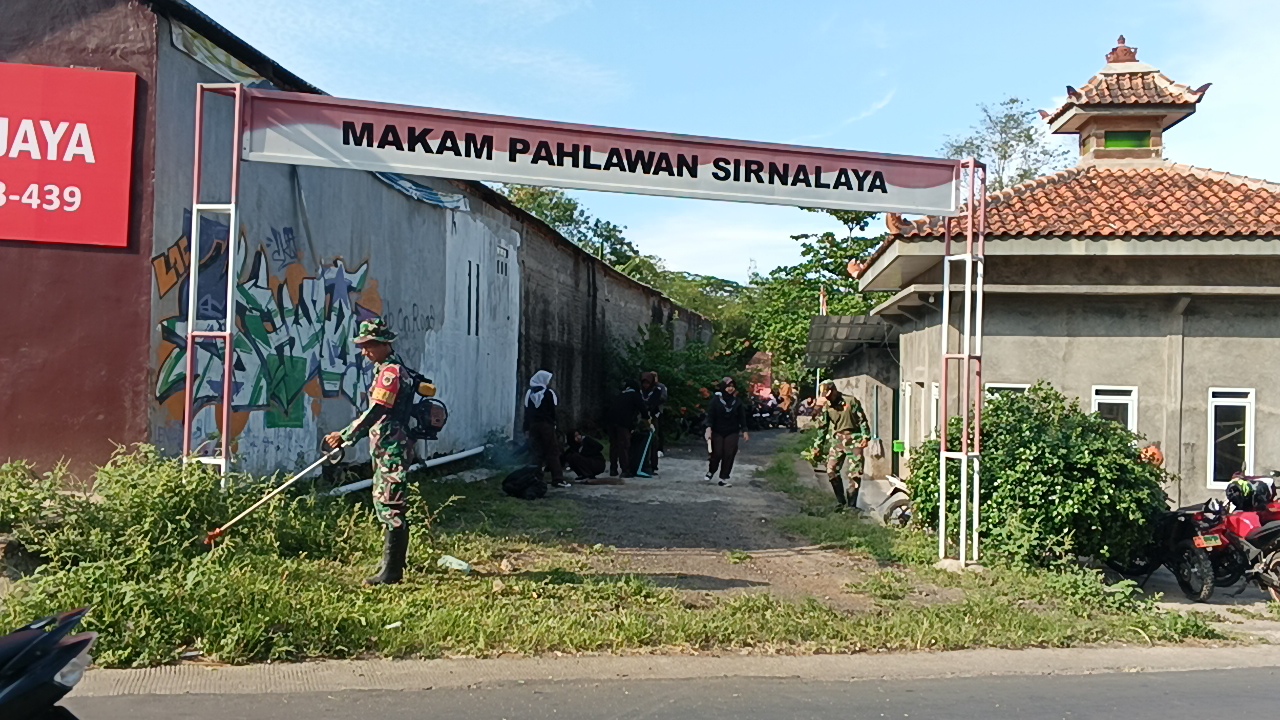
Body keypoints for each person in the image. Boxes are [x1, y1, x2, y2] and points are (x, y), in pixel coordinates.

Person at [323, 318, 415, 586]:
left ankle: (392, 572)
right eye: (362, 346)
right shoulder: (385, 369)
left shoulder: (391, 373)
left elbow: (377, 410)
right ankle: (392, 564)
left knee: (390, 503)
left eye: (369, 345)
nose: (364, 352)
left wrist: (345, 435)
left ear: (384, 344)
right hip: (386, 445)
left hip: (392, 447)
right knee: (386, 501)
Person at [816, 381, 871, 512]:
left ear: (834, 391)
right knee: (831, 470)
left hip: (854, 439)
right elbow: (823, 428)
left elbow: (862, 420)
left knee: (855, 473)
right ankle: (840, 502)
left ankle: (851, 506)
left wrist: (865, 436)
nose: (828, 398)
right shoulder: (827, 406)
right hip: (838, 440)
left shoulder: (851, 401)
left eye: (829, 395)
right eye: (825, 396)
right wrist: (818, 445)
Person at [523, 370, 569, 488]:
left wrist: (526, 429)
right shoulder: (549, 393)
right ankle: (557, 479)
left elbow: (527, 413)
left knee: (536, 452)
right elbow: (553, 411)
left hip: (533, 426)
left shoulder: (529, 393)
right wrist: (555, 425)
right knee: (552, 452)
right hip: (546, 426)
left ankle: (535, 477)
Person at [704, 377, 749, 487]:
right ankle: (711, 470)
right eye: (728, 386)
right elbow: (710, 416)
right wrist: (708, 428)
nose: (730, 389)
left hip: (732, 431)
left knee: (729, 453)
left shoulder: (737, 402)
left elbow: (742, 417)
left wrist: (745, 430)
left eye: (732, 387)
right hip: (717, 431)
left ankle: (723, 478)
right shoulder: (716, 400)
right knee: (717, 453)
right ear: (724, 387)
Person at [606, 379, 646, 477]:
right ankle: (625, 470)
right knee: (623, 446)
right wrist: (647, 418)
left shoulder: (620, 395)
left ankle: (613, 469)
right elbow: (643, 409)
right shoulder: (635, 395)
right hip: (623, 423)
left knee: (614, 446)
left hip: (611, 422)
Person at [640, 371, 668, 473]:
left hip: (655, 415)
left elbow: (661, 399)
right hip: (643, 417)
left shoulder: (658, 389)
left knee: (654, 439)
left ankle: (653, 463)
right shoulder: (641, 391)